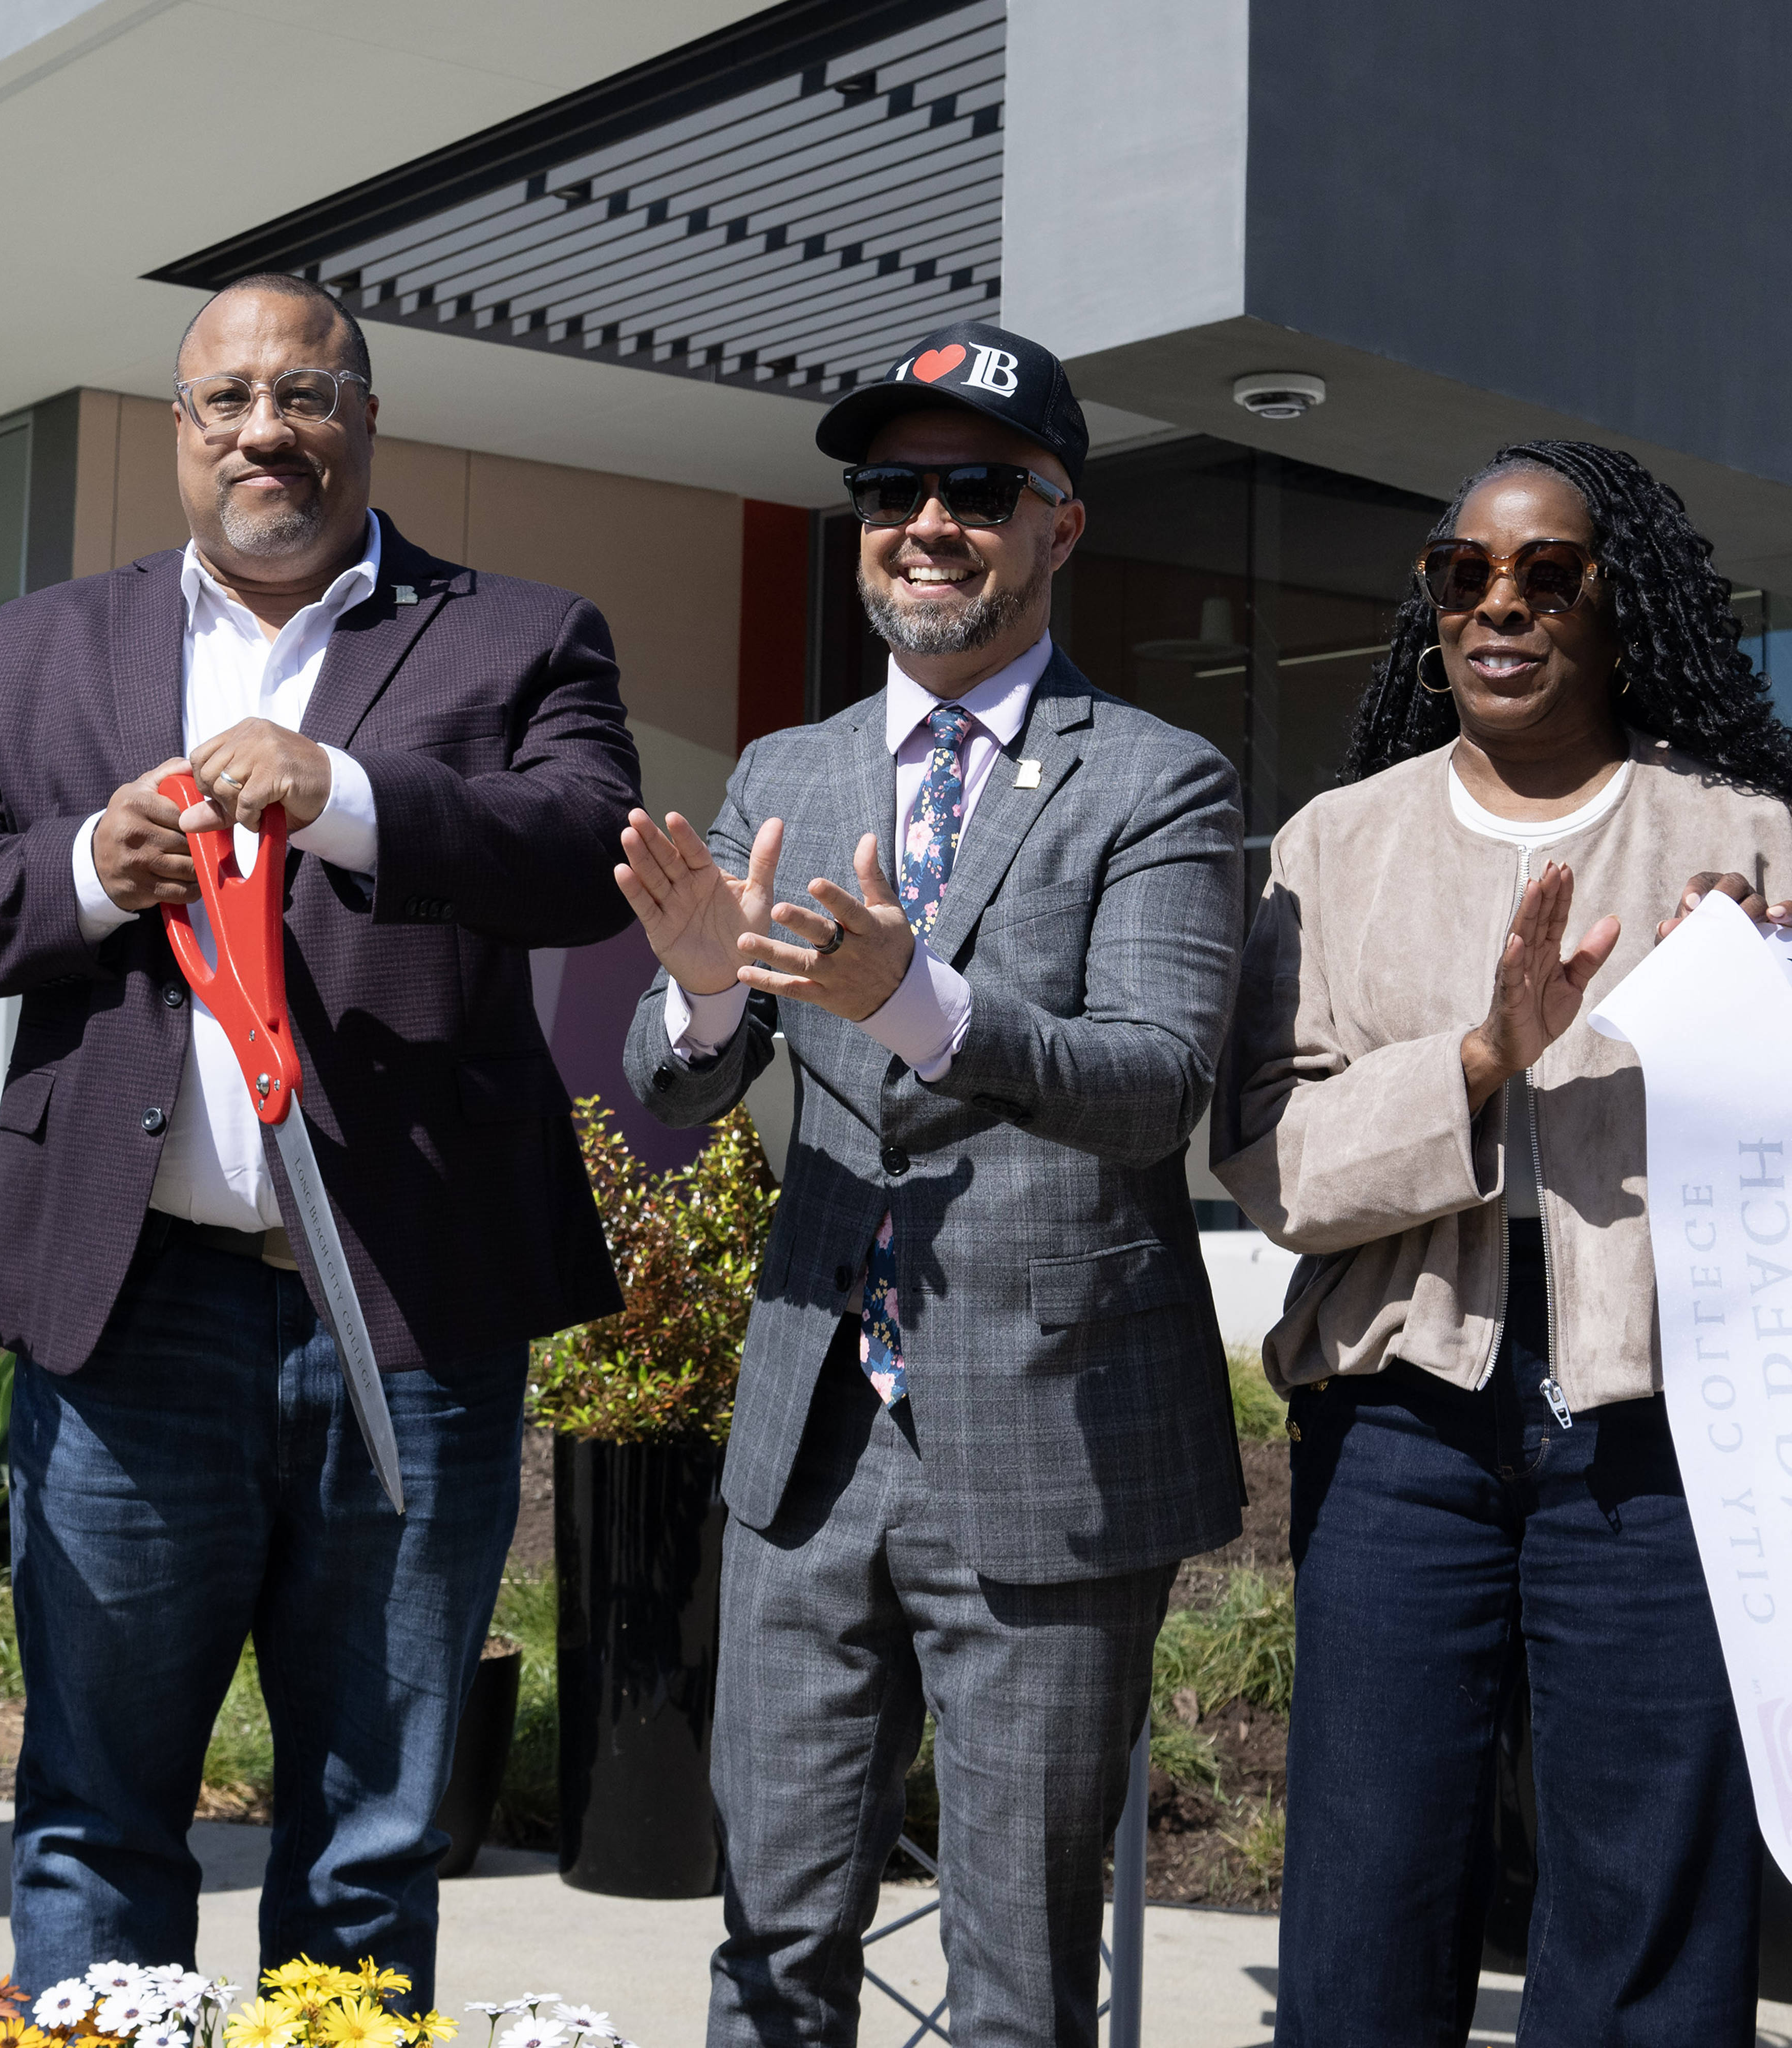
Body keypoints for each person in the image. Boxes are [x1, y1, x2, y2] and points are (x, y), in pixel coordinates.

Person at [0, 273, 639, 1997]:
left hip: (407, 1315)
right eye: (226, 400)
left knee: (375, 1819)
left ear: (367, 419)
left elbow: (585, 841)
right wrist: (86, 870)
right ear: (178, 431)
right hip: (131, 1310)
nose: (263, 430)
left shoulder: (518, 633)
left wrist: (345, 794)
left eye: (303, 394)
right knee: (94, 1806)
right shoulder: (45, 645)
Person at [616, 321, 1246, 2048]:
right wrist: (706, 993)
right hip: (812, 1443)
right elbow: (676, 1090)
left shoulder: (1160, 779)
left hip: (1052, 1446)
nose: (930, 520)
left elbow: (1158, 1086)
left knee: (1016, 1988)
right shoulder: (784, 775)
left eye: (980, 486)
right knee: (770, 1952)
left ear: (1061, 526)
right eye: (895, 487)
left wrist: (914, 997)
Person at [1213, 441, 1792, 2043]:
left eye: (1551, 576)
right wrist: (1478, 1063)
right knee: (1368, 1882)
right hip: (1401, 1408)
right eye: (1464, 574)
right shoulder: (1334, 846)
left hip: (1666, 1417)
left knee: (1650, 1912)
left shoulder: (1746, 838)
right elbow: (1269, 1164)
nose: (1501, 606)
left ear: (1629, 607)